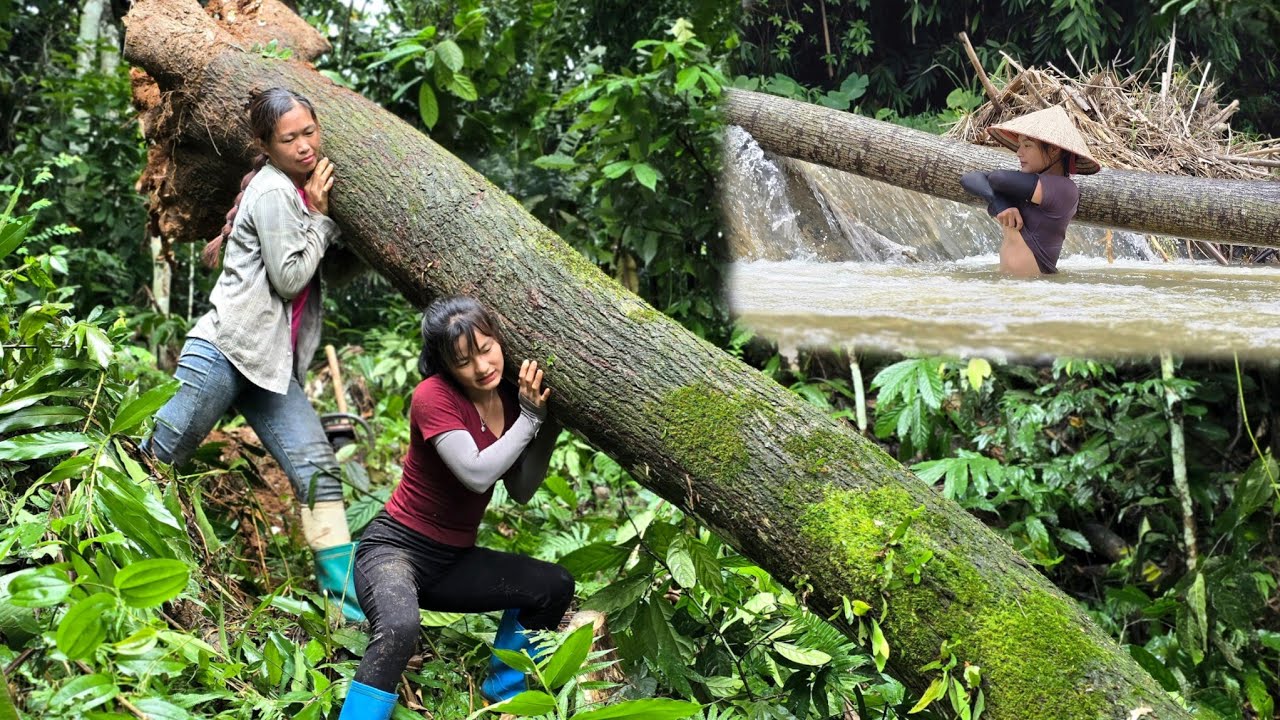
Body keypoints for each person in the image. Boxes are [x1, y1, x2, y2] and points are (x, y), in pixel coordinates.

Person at [143, 87, 364, 622]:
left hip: (271, 366)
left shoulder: (295, 188)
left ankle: (348, 612)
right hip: (225, 350)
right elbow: (289, 279)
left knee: (318, 472)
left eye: (309, 132)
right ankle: (105, 553)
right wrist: (323, 219)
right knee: (158, 458)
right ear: (265, 146)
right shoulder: (273, 192)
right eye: (289, 139)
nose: (305, 146)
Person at [338, 296, 573, 720]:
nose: (482, 367)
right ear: (445, 364)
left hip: (451, 563)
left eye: (486, 349)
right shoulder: (433, 396)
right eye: (464, 361)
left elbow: (520, 489)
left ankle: (503, 698)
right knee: (399, 627)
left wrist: (548, 424)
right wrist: (531, 421)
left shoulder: (510, 399)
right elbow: (477, 474)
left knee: (553, 586)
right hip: (394, 551)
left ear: (500, 341)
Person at [960, 104, 1101, 276]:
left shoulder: (1065, 190)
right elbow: (969, 178)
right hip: (1012, 286)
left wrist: (1001, 201)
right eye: (1019, 145)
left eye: (1027, 145)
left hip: (1036, 287)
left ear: (1054, 150)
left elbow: (998, 178)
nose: (1019, 152)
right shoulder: (1025, 186)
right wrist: (1001, 204)